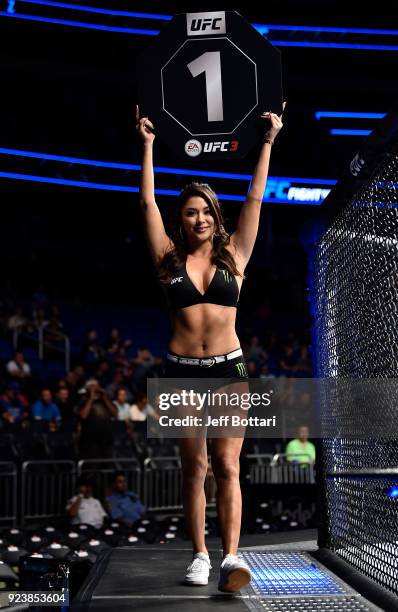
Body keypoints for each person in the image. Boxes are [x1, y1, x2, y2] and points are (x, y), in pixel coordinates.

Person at [135, 101, 284, 592]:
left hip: (228, 370)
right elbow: (146, 206)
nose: (199, 218)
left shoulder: (236, 255)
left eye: (206, 212)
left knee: (226, 465)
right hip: (179, 372)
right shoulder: (167, 258)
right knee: (193, 468)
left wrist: (267, 140)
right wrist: (149, 145)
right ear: (182, 220)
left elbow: (256, 199)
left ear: (216, 217)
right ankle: (199, 555)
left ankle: (231, 558)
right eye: (191, 212)